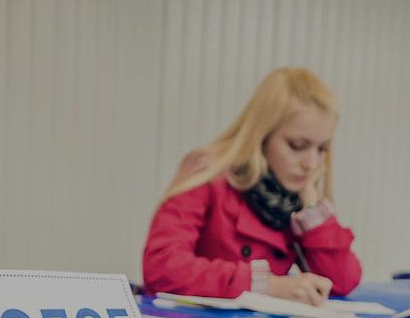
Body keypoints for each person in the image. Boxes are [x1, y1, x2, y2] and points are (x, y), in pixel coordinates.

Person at [143, 67, 361, 305]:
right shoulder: (208, 172)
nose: (311, 164)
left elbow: (342, 282)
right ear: (262, 136)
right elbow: (162, 267)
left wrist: (313, 212)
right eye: (297, 145)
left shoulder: (295, 196)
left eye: (322, 149)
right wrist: (265, 285)